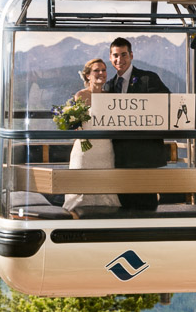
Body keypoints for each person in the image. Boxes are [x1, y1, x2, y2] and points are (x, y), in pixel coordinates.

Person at [103, 37, 170, 210]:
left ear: (131, 56)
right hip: (120, 157)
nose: (120, 60)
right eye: (115, 56)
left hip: (144, 155)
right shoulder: (109, 86)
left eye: (124, 55)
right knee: (123, 205)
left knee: (146, 206)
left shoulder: (148, 79)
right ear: (110, 58)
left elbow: (167, 105)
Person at [62, 58, 121, 213]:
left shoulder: (110, 97)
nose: (101, 73)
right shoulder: (80, 96)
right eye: (96, 70)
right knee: (81, 183)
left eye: (103, 70)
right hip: (84, 147)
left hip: (105, 148)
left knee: (105, 183)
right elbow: (76, 122)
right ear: (88, 75)